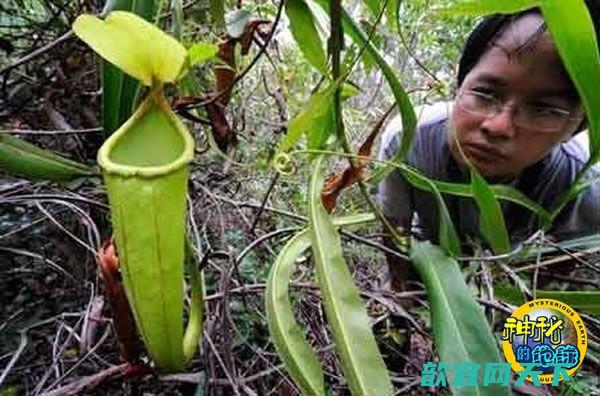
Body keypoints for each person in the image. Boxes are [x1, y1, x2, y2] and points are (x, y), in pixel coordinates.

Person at [377, 5, 600, 290]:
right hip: (431, 261)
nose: (498, 127)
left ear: (578, 127)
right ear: (460, 86)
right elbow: (396, 232)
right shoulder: (408, 140)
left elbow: (550, 276)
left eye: (543, 110)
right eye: (483, 94)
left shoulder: (583, 188)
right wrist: (402, 292)